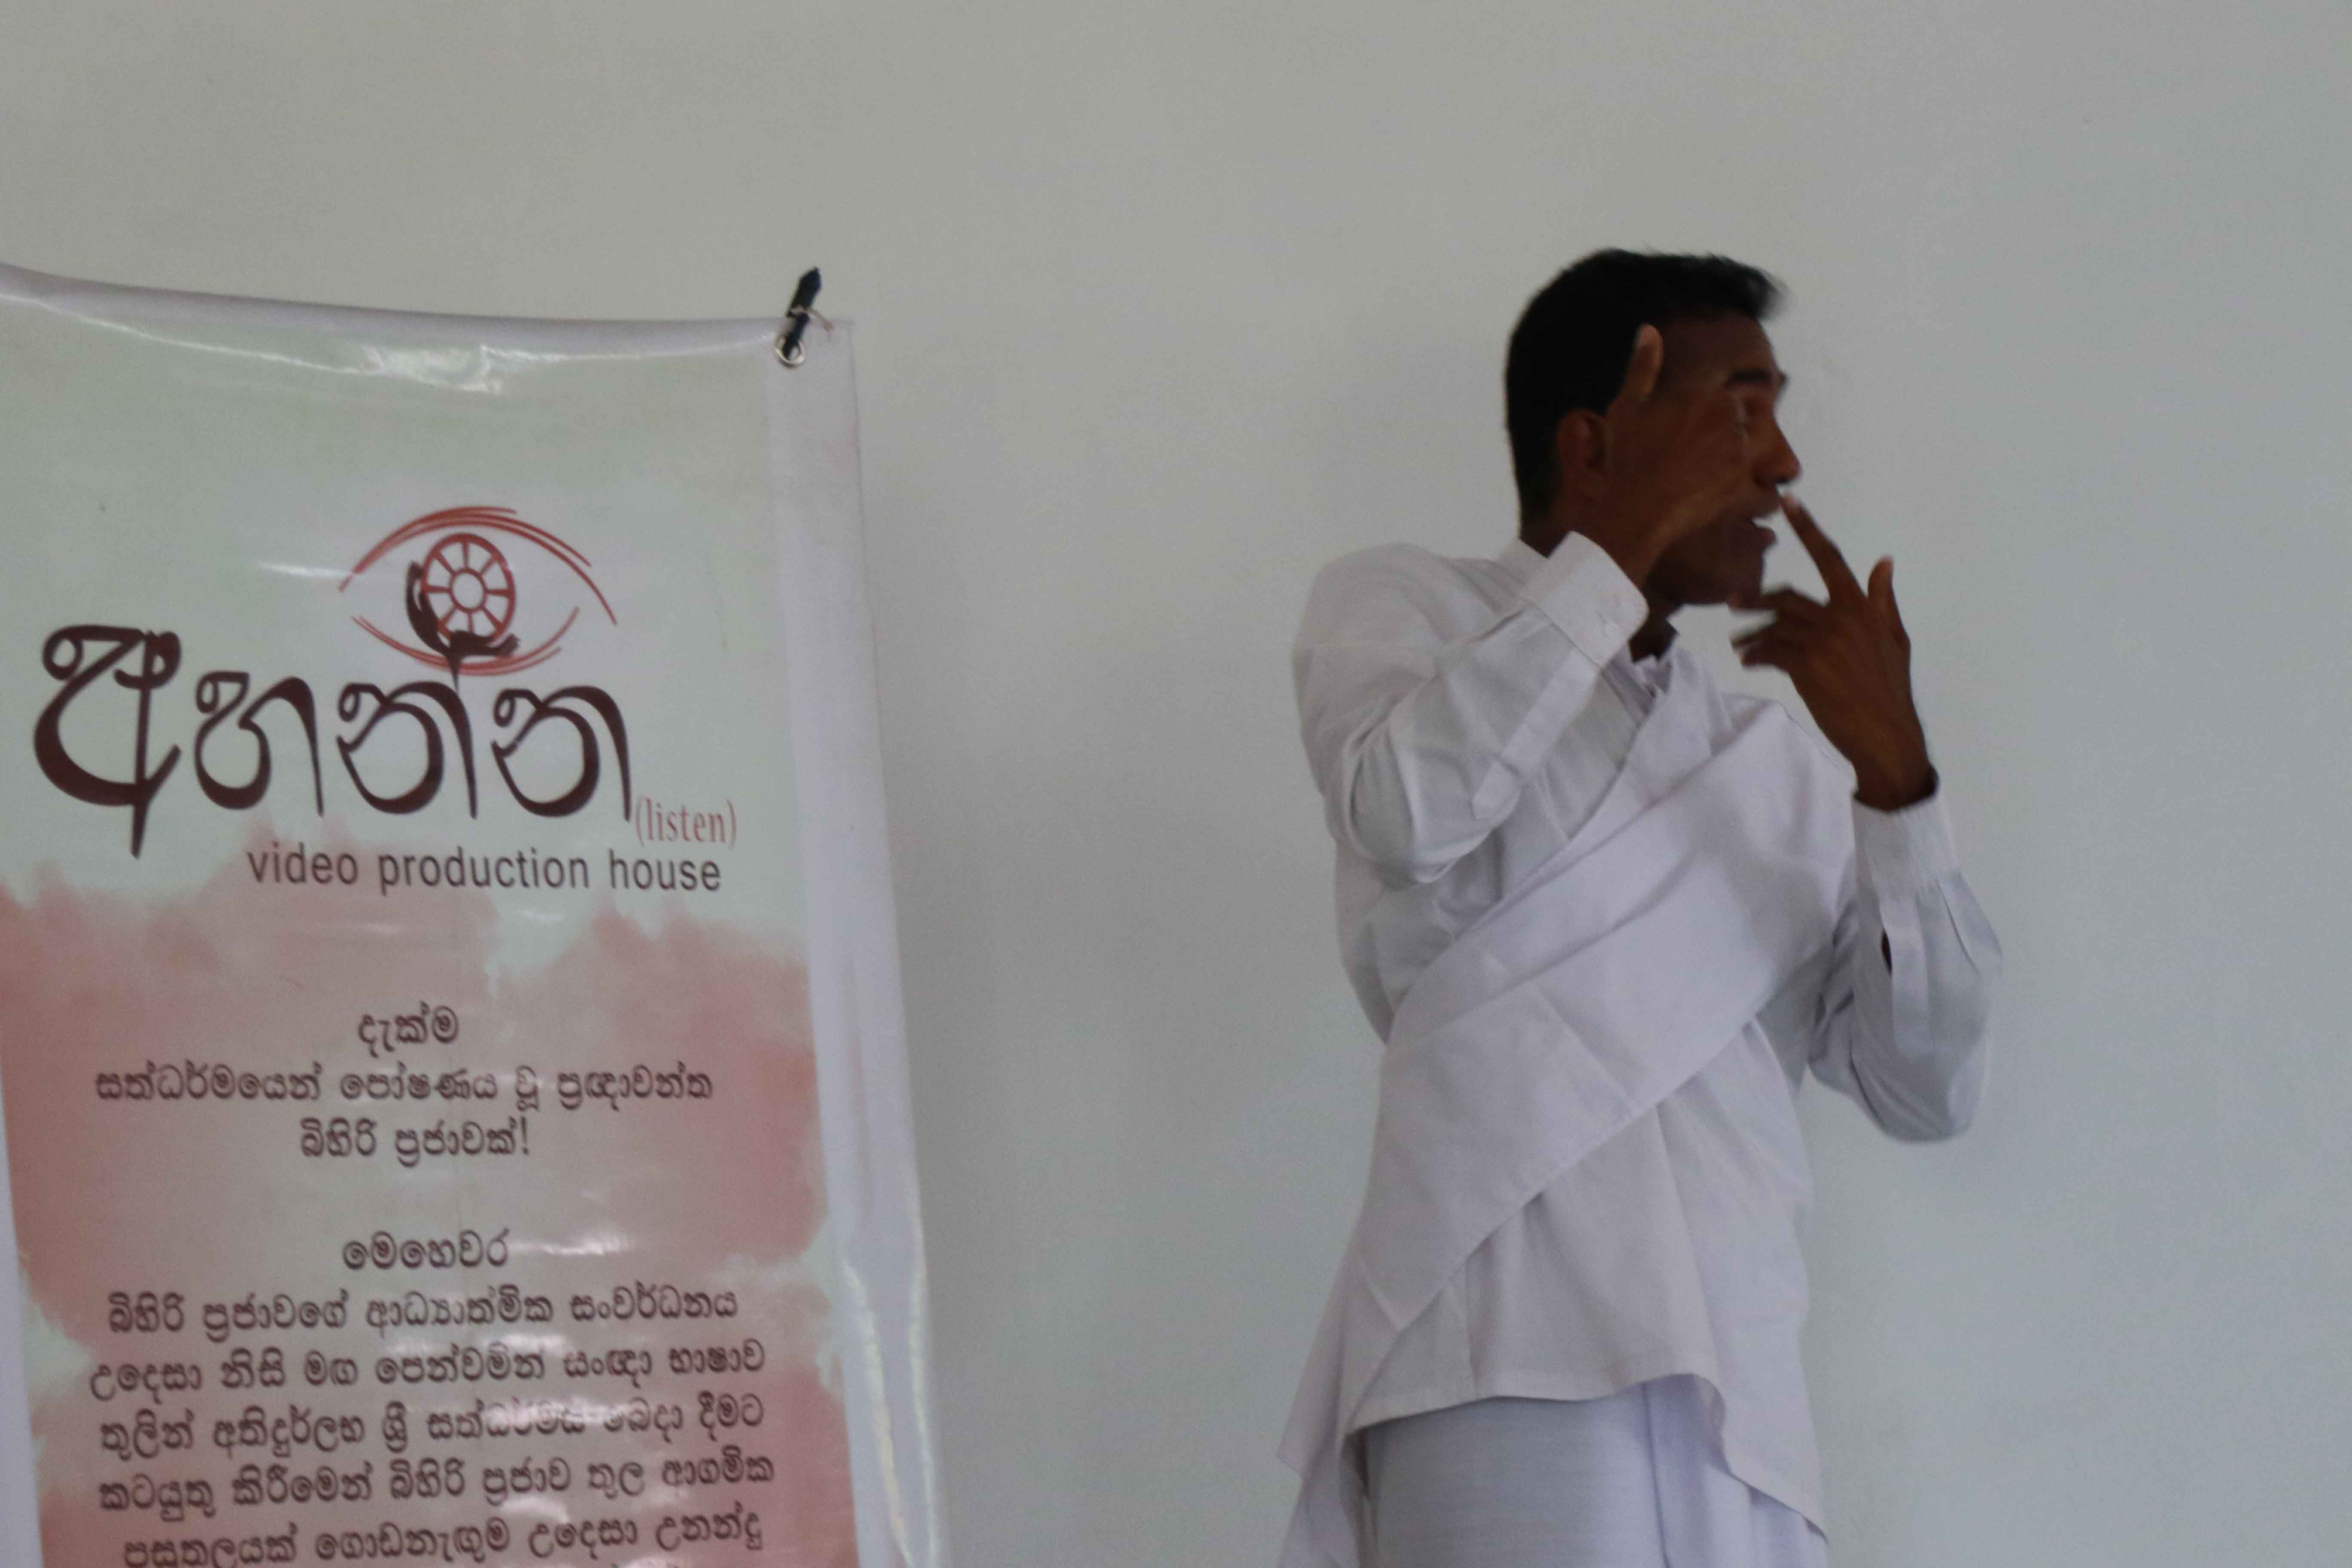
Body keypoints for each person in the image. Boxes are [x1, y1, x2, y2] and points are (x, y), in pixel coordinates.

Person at [1277, 250, 2002, 1568]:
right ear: (1594, 441)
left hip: (1744, 1397)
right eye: (1741, 411)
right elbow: (1404, 811)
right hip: (1499, 1356)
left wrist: (1899, 786)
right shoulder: (1406, 608)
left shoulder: (1767, 763)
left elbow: (1926, 1088)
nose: (1783, 465)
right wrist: (1611, 559)